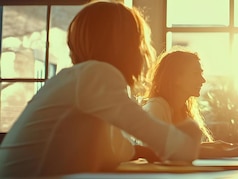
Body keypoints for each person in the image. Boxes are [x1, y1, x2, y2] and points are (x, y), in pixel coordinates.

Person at [0, 1, 201, 177]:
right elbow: (177, 149)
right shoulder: (96, 75)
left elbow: (114, 149)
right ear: (125, 45)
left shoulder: (79, 78)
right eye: (139, 42)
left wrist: (144, 151)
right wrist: (190, 131)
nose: (143, 51)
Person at [138, 48, 238, 160]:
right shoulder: (156, 108)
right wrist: (229, 151)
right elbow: (162, 151)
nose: (203, 80)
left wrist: (222, 146)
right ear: (177, 78)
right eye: (196, 74)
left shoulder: (183, 111)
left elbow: (184, 147)